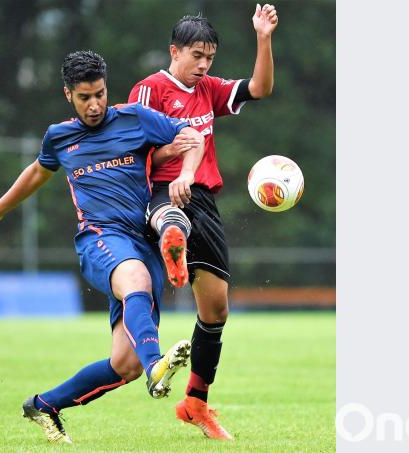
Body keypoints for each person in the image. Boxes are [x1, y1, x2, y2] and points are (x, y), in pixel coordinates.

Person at [0, 50, 205, 444]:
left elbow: (192, 137)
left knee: (123, 364)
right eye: (84, 97)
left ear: (106, 88)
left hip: (141, 240)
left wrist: (187, 173)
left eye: (99, 94)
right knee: (135, 279)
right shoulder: (59, 137)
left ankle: (44, 404)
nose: (94, 105)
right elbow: (36, 174)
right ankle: (157, 367)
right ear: (68, 95)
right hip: (98, 239)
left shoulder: (135, 118)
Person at [127, 5, 279, 440]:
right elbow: (132, 157)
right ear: (175, 51)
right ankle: (170, 232)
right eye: (197, 56)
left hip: (204, 201)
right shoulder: (148, 90)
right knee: (173, 210)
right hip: (159, 192)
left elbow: (259, 88)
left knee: (216, 311)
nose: (204, 65)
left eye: (210, 58)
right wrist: (176, 158)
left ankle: (195, 403)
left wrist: (263, 37)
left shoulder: (208, 89)